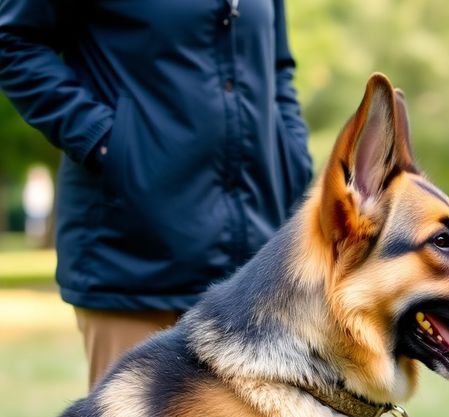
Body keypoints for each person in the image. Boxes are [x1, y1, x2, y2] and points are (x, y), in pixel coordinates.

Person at [0, 0, 313, 389]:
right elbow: (12, 40)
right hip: (133, 250)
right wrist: (100, 138)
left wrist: (292, 155)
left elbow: (277, 66)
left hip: (255, 264)